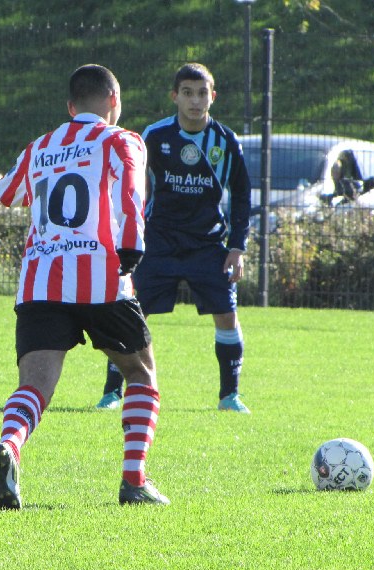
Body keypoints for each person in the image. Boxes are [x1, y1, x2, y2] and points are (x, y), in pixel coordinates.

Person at [0, 64, 169, 510]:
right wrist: (131, 246)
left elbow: (7, 194)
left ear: (70, 107)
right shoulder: (121, 139)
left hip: (39, 280)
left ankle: (10, 446)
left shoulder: (40, 147)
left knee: (35, 387)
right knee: (140, 374)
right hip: (102, 277)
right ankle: (134, 481)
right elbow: (132, 191)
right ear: (114, 101)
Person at [96, 63, 252, 414]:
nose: (195, 101)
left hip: (208, 245)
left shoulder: (225, 141)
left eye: (201, 93)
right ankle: (111, 392)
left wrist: (237, 248)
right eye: (187, 93)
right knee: (130, 314)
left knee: (227, 315)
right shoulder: (155, 135)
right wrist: (128, 233)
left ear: (212, 96)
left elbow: (242, 195)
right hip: (159, 243)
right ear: (175, 97)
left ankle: (230, 396)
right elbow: (134, 185)